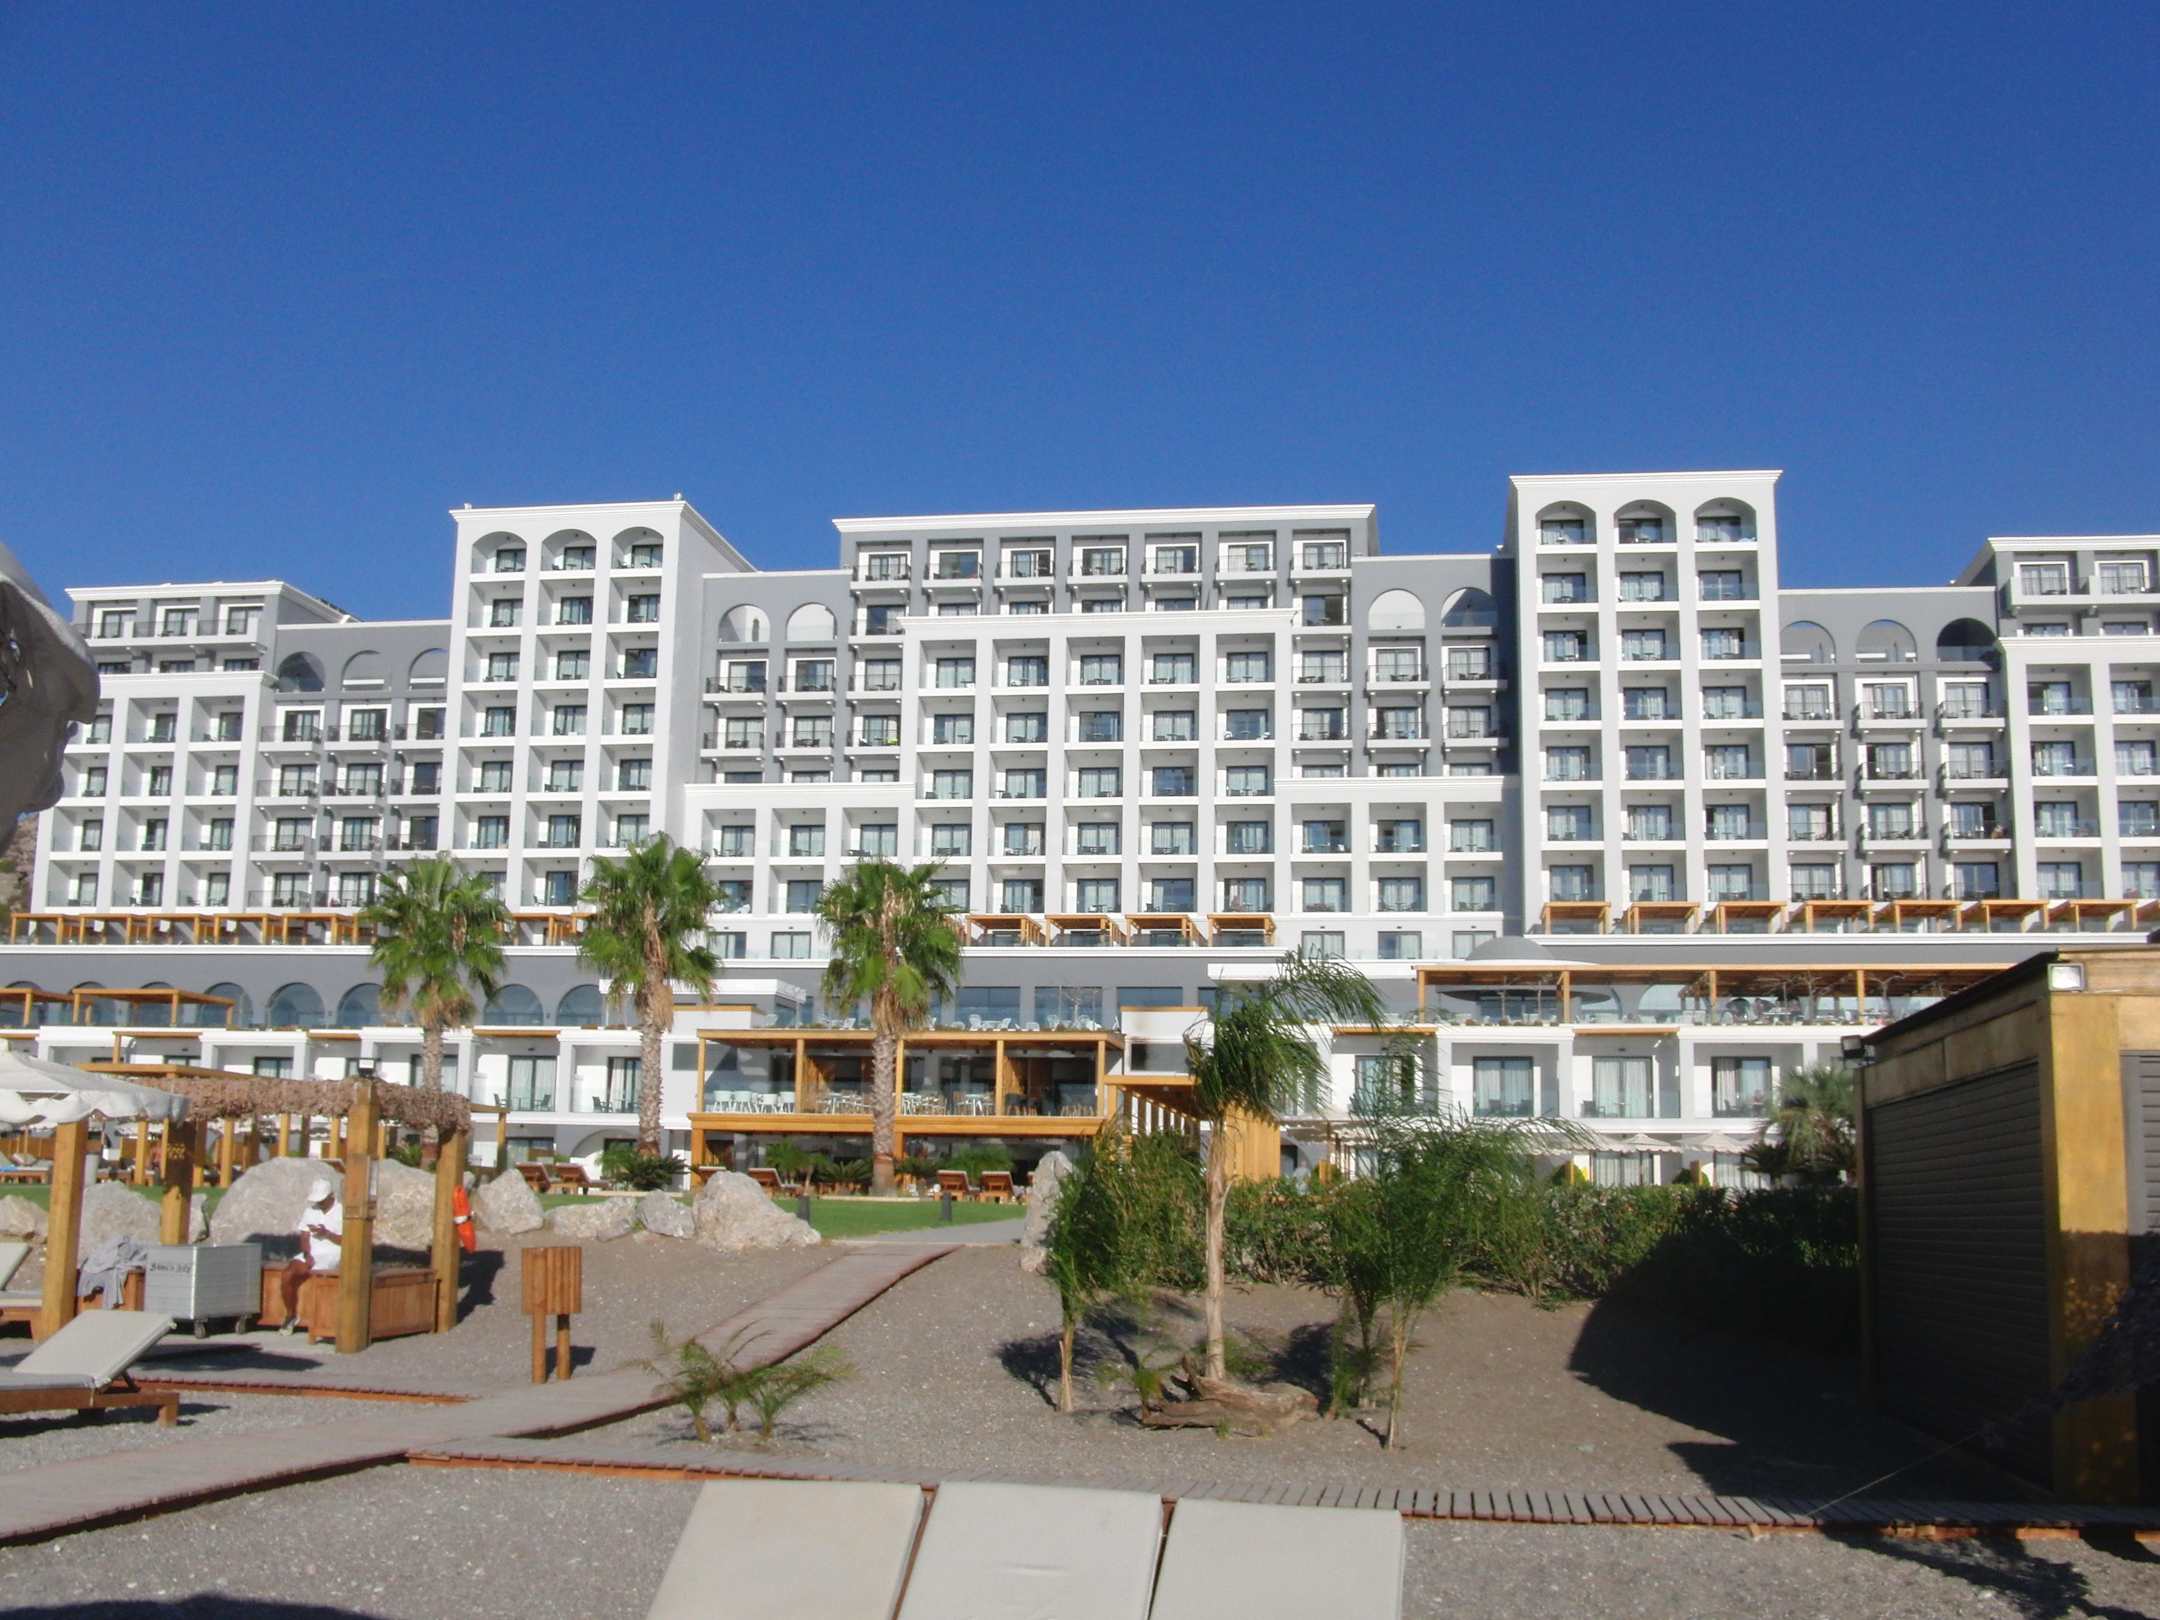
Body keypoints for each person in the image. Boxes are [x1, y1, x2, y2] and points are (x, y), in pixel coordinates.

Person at [280, 1176, 343, 1333]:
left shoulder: (342, 1211)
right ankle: (290, 1315)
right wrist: (307, 1254)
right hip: (311, 1251)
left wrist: (327, 1233)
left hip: (332, 1253)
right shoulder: (311, 1210)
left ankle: (321, 1322)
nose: (319, 1203)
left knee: (314, 1275)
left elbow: (346, 1240)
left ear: (331, 1196)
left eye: (322, 1200)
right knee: (287, 1274)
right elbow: (304, 1235)